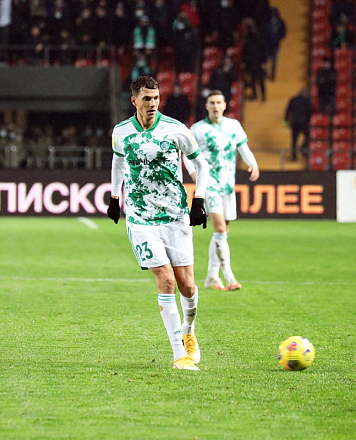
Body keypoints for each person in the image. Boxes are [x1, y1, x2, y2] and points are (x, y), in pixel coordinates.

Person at [108, 76, 209, 371]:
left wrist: (199, 200)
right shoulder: (121, 132)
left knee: (187, 285)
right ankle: (179, 355)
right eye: (147, 98)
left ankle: (189, 332)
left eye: (156, 98)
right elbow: (118, 162)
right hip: (140, 218)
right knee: (166, 280)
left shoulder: (176, 129)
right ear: (134, 101)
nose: (152, 103)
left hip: (175, 216)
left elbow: (201, 165)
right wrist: (115, 197)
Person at [183, 90, 259, 291]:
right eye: (212, 103)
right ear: (206, 106)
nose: (215, 106)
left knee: (223, 233)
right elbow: (186, 154)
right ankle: (229, 277)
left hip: (227, 185)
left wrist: (253, 164)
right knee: (219, 229)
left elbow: (243, 148)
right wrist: (193, 172)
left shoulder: (233, 126)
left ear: (225, 105)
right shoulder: (197, 129)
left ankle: (211, 277)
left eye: (219, 102)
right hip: (209, 185)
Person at [284, 88, 311, 161]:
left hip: (294, 122)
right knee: (308, 135)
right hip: (303, 122)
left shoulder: (293, 99)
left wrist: (286, 120)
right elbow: (309, 111)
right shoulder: (307, 100)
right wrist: (308, 121)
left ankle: (293, 156)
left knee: (294, 139)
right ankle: (303, 147)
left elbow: (288, 110)